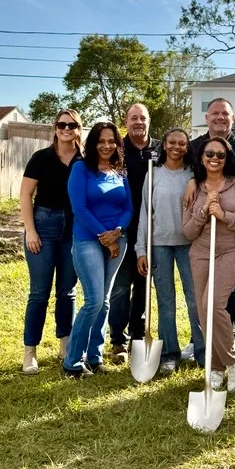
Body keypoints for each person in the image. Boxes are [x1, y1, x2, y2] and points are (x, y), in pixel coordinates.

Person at [182, 136, 235, 393]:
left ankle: (234, 359)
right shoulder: (194, 188)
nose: (214, 159)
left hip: (231, 250)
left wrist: (224, 215)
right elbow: (188, 232)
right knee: (203, 313)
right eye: (209, 154)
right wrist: (204, 211)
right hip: (201, 251)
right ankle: (215, 365)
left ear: (226, 159)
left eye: (220, 155)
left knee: (212, 304)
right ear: (201, 158)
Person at [63, 122, 133, 378]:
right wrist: (105, 237)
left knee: (104, 301)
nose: (106, 146)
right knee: (92, 300)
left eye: (111, 141)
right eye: (101, 141)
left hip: (117, 239)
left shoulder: (120, 171)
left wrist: (118, 232)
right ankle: (72, 362)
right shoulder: (81, 169)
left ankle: (94, 357)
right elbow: (79, 208)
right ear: (92, 143)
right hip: (87, 240)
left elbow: (129, 208)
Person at [19, 109, 83, 375]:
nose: (66, 129)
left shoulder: (84, 160)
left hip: (74, 227)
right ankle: (30, 352)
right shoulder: (41, 158)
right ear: (55, 128)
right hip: (43, 225)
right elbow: (25, 195)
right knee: (39, 293)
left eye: (72, 125)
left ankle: (65, 344)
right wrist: (30, 231)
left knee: (67, 291)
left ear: (79, 128)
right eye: (61, 124)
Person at [136, 128, 204, 375]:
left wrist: (194, 180)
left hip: (189, 243)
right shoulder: (153, 175)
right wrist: (141, 249)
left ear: (187, 147)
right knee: (165, 301)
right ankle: (169, 354)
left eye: (182, 143)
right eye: (172, 142)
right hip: (159, 244)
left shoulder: (193, 175)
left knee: (195, 299)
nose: (177, 146)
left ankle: (202, 350)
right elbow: (145, 212)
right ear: (164, 145)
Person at [182, 97, 235, 360]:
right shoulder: (194, 147)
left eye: (226, 114)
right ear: (206, 118)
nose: (220, 118)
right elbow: (177, 166)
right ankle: (199, 338)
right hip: (202, 228)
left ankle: (228, 337)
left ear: (233, 119)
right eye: (215, 113)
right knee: (202, 289)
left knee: (230, 288)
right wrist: (190, 181)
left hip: (233, 227)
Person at [107, 103, 160, 365]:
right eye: (133, 118)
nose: (138, 122)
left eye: (143, 118)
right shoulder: (116, 151)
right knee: (119, 288)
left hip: (152, 230)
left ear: (149, 121)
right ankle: (118, 340)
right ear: (125, 122)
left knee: (143, 287)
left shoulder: (160, 150)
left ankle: (138, 337)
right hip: (121, 229)